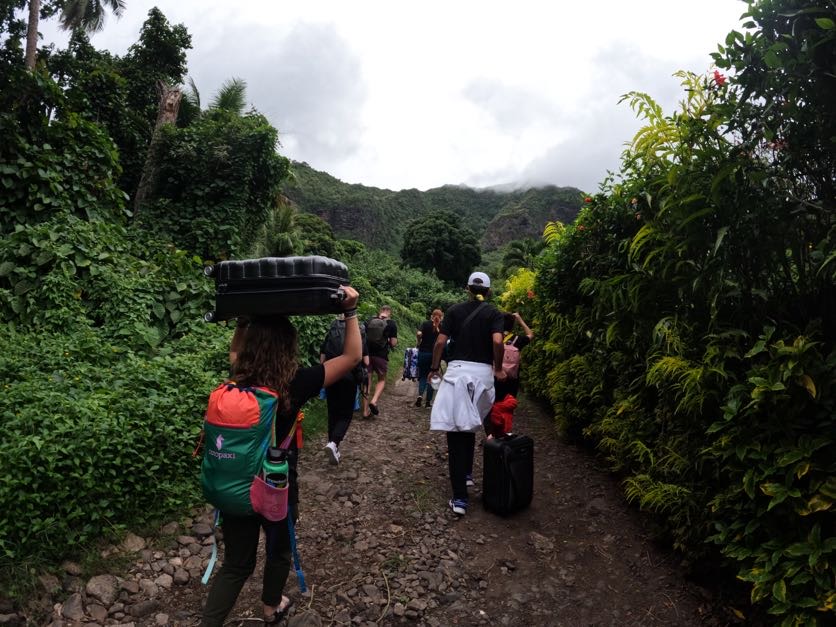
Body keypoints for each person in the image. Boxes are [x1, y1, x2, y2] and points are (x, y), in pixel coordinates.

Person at [202, 286, 362, 626]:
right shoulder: (295, 382)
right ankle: (271, 607)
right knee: (279, 550)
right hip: (276, 487)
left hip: (235, 487)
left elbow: (234, 352)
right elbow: (351, 358)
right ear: (288, 347)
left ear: (248, 349)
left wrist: (243, 322)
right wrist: (350, 311)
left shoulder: (237, 379)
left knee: (235, 565)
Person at [428, 272, 505, 516]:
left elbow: (440, 343)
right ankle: (468, 475)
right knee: (470, 425)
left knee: (455, 432)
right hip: (483, 377)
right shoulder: (494, 313)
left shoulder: (454, 311)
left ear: (467, 289)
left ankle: (460, 499)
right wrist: (499, 368)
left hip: (458, 373)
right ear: (489, 292)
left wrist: (434, 367)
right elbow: (497, 342)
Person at [320, 312, 369, 464]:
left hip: (330, 375)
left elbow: (322, 358)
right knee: (346, 414)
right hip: (350, 377)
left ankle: (333, 445)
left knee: (332, 412)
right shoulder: (359, 332)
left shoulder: (332, 329)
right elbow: (365, 361)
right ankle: (334, 443)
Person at [362, 305, 398, 417]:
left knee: (367, 381)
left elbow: (363, 336)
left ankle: (364, 411)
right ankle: (374, 401)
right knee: (381, 379)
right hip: (381, 356)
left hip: (367, 354)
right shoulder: (391, 324)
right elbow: (393, 343)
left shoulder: (369, 320)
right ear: (389, 313)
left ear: (380, 312)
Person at [494, 312, 534, 402]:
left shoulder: (494, 338)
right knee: (508, 405)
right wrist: (520, 319)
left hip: (494, 377)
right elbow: (530, 335)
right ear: (512, 326)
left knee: (492, 406)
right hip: (511, 380)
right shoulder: (517, 339)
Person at [415, 308, 443, 408]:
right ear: (441, 317)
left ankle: (420, 395)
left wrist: (419, 341)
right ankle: (428, 402)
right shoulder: (442, 327)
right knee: (433, 377)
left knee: (423, 375)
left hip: (423, 353)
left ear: (431, 316)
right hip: (435, 356)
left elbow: (419, 334)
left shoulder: (425, 323)